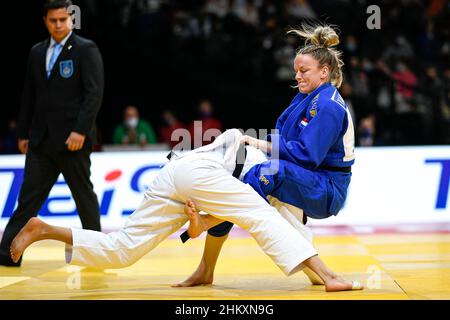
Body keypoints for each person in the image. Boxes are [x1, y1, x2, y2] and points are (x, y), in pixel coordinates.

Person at [9, 129, 363, 292]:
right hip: (202, 175)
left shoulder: (266, 176)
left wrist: (200, 236)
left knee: (122, 251)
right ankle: (332, 276)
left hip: (178, 176)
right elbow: (253, 220)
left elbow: (220, 222)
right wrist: (325, 276)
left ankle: (43, 229)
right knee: (264, 217)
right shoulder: (271, 174)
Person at [178, 24, 356, 287]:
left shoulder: (327, 105)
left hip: (326, 189)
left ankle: (209, 219)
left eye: (303, 70)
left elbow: (308, 156)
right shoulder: (308, 97)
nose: (297, 76)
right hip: (302, 178)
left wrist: (263, 144)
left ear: (324, 71)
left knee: (265, 173)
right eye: (296, 70)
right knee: (235, 180)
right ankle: (206, 269)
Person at [0, 0, 104, 266]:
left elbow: (94, 94)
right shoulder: (37, 52)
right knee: (27, 200)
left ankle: (95, 254)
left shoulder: (85, 49)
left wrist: (81, 130)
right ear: (45, 21)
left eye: (63, 19)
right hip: (41, 140)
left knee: (84, 197)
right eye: (53, 20)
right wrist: (23, 133)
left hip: (73, 141)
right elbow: (29, 96)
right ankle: (6, 256)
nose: (58, 24)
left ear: (71, 19)